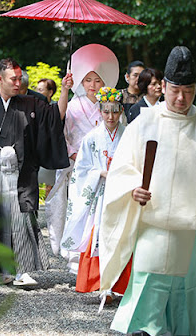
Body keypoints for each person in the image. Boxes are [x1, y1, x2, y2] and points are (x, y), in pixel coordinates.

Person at [100, 46, 196, 335]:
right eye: (175, 91)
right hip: (152, 228)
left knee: (186, 294)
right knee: (148, 291)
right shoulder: (144, 122)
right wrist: (133, 188)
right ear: (164, 87)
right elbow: (122, 169)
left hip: (188, 230)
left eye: (188, 91)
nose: (181, 98)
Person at [0, 58, 73, 286]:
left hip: (21, 175)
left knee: (22, 221)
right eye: (14, 79)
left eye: (20, 78)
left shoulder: (31, 103)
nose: (19, 83)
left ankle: (22, 271)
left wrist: (65, 90)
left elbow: (55, 117)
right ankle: (0, 271)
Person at [45, 44, 120, 274]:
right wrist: (65, 90)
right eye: (88, 80)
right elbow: (62, 130)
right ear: (81, 82)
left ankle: (103, 254)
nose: (93, 86)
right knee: (79, 209)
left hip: (106, 167)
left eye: (97, 80)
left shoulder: (109, 105)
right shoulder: (74, 105)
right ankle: (76, 256)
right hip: (79, 166)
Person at [61, 87, 131, 298]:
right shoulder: (91, 138)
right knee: (99, 236)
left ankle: (119, 284)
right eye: (106, 111)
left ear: (121, 111)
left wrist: (121, 175)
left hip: (121, 194)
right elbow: (81, 169)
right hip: (98, 195)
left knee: (122, 236)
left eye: (115, 111)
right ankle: (102, 285)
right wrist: (99, 172)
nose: (110, 116)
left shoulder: (128, 136)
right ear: (100, 111)